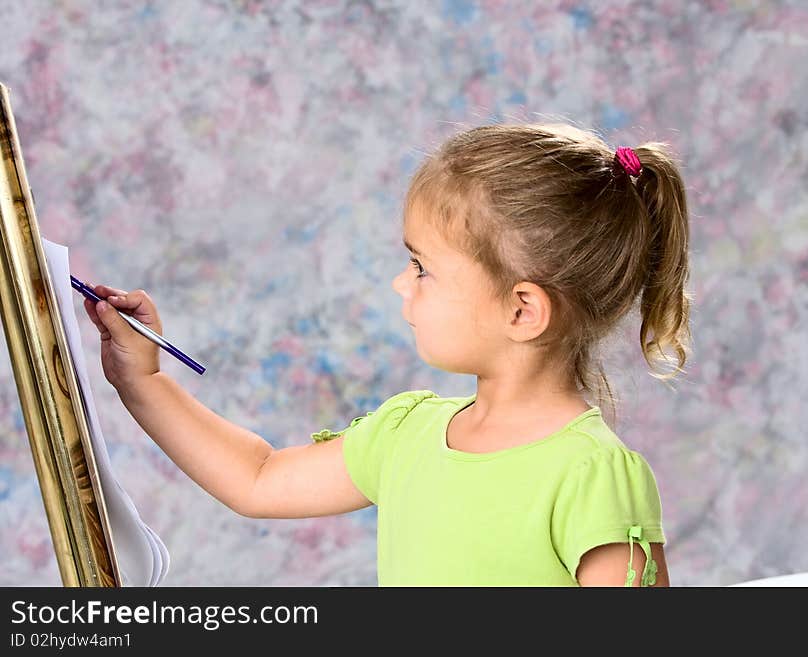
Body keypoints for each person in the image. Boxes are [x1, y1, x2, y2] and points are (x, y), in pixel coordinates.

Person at [84, 122, 692, 587]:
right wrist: (140, 379)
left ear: (521, 309)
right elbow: (258, 478)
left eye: (422, 268)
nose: (402, 285)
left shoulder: (593, 476)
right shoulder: (407, 433)